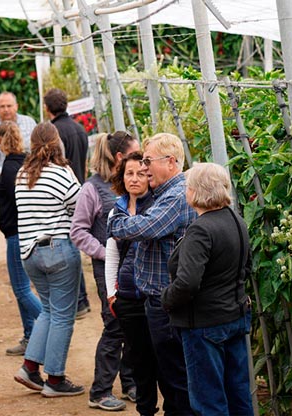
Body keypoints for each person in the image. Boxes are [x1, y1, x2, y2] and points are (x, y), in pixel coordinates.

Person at [107, 132, 197, 415]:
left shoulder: (175, 197)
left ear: (171, 162)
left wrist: (118, 218)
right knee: (164, 374)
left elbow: (140, 228)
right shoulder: (164, 195)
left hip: (165, 301)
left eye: (148, 161)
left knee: (175, 379)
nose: (144, 169)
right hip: (156, 300)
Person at [161, 163, 253, 416]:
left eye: (187, 186)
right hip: (233, 317)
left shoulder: (201, 229)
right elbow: (246, 267)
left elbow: (187, 283)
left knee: (209, 400)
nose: (185, 191)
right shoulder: (236, 220)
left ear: (197, 191)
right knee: (238, 393)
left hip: (204, 325)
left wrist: (166, 299)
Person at [12, 122, 84, 398]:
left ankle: (30, 367)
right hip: (58, 249)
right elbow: (79, 207)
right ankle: (55, 378)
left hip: (30, 253)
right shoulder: (62, 173)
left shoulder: (22, 174)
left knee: (49, 310)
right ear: (57, 143)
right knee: (64, 315)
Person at [70, 132, 140, 411]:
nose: (141, 158)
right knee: (115, 325)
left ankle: (131, 382)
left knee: (134, 324)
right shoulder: (92, 188)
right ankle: (99, 391)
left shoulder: (131, 185)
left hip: (134, 266)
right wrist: (104, 251)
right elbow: (78, 231)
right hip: (107, 269)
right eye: (136, 153)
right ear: (120, 158)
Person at [105, 152, 159, 416]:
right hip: (127, 297)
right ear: (121, 176)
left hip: (154, 296)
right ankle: (146, 410)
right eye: (129, 173)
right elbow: (112, 252)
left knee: (161, 357)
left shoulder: (158, 206)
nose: (134, 179)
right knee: (138, 360)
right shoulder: (117, 209)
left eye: (140, 173)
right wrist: (112, 293)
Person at [0, 121, 43, 356]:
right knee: (24, 288)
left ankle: (49, 324)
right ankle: (29, 335)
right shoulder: (25, 163)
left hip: (16, 233)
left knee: (22, 289)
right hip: (27, 231)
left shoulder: (8, 170)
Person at [45, 88, 92, 318]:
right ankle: (81, 300)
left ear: (47, 108)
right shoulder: (79, 129)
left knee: (69, 249)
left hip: (63, 196)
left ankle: (80, 301)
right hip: (81, 190)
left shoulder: (53, 133)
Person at [0, 91, 36, 185]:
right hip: (3, 185)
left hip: (30, 182)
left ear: (16, 106)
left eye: (9, 106)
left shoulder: (30, 123)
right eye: (2, 106)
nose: (6, 109)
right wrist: (3, 172)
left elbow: (38, 149)